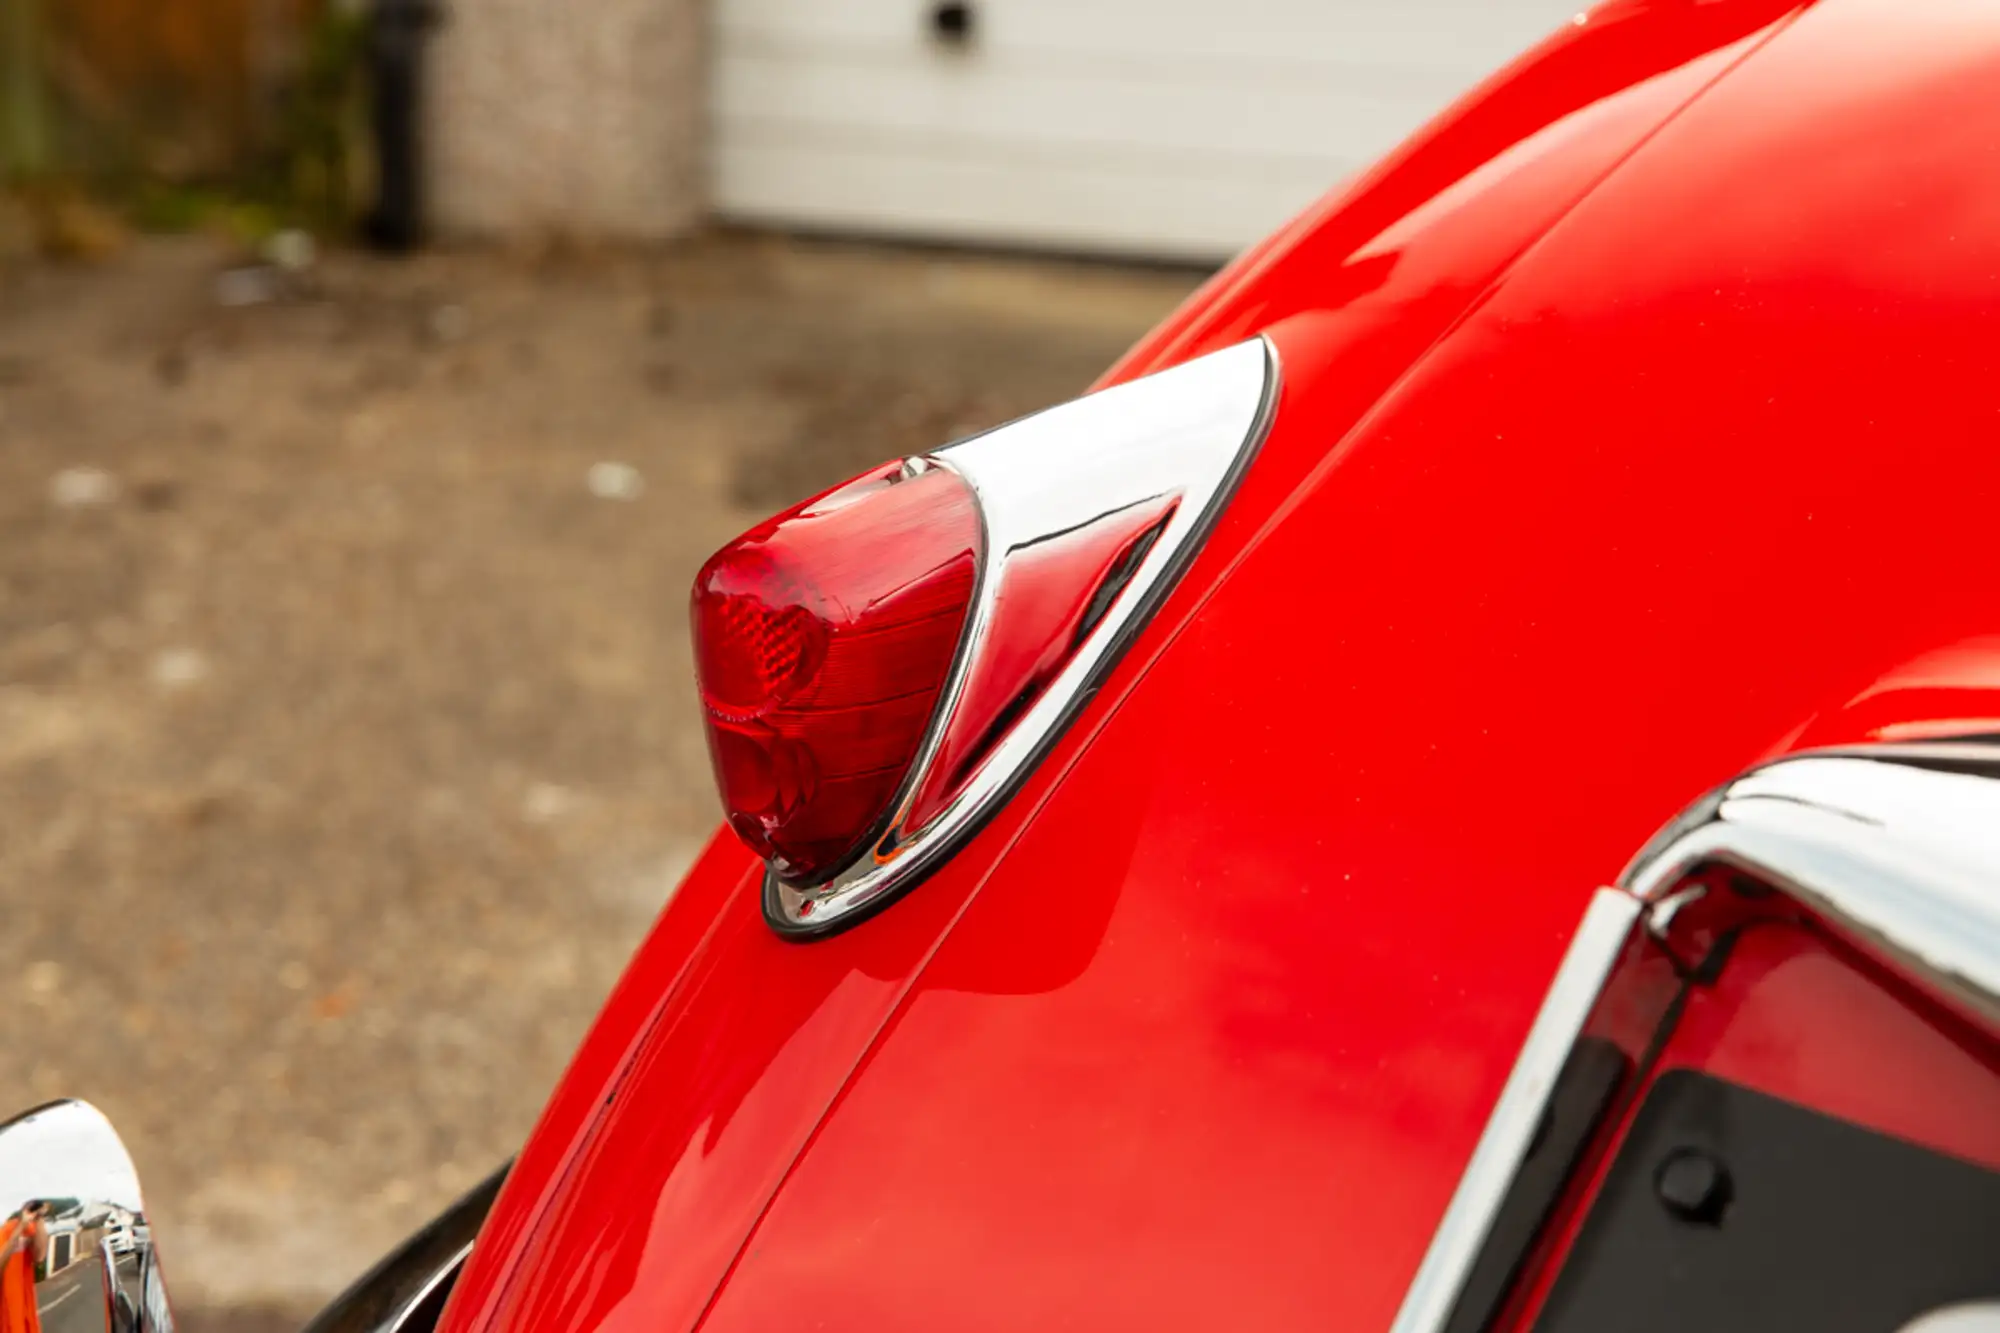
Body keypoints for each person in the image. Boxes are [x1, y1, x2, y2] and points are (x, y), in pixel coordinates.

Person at [0, 1202, 46, 1333]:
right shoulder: (5, 1230)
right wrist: (19, 1229)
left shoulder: (30, 1229)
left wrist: (39, 1218)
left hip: (24, 1305)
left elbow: (39, 1256)